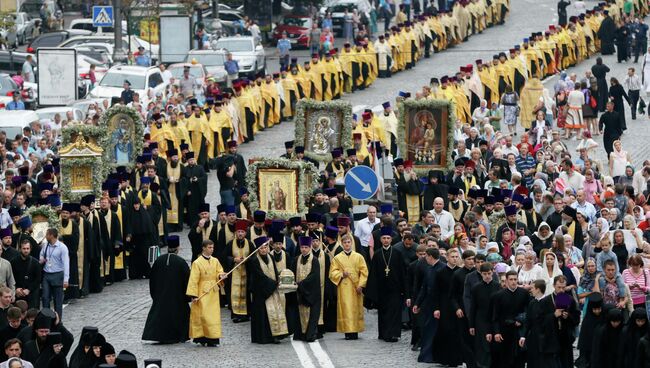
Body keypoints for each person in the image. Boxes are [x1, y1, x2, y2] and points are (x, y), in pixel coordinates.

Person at [142, 235, 190, 344]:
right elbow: (187, 281)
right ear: (178, 247)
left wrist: (155, 295)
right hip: (177, 298)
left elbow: (152, 280)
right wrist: (187, 296)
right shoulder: (181, 262)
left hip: (161, 297)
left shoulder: (158, 261)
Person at [366, 226, 405, 343]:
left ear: (391, 240)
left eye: (388, 238)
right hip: (382, 289)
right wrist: (372, 292)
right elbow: (373, 274)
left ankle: (393, 334)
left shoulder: (397, 253)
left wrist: (404, 289)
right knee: (383, 312)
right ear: (381, 240)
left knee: (394, 312)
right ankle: (383, 333)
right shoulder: (377, 254)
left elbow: (402, 272)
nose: (386, 240)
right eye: (384, 238)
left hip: (395, 289)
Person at [186, 239, 228, 347]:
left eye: (212, 247)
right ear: (204, 248)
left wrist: (221, 275)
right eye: (209, 247)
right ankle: (202, 336)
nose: (211, 250)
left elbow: (219, 271)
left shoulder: (215, 261)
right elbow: (193, 279)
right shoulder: (197, 262)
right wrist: (193, 295)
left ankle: (212, 338)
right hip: (202, 292)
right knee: (203, 315)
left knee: (212, 316)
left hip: (213, 292)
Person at [248, 237, 289, 344]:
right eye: (261, 248)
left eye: (265, 247)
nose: (263, 250)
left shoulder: (270, 256)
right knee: (263, 314)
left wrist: (277, 280)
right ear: (258, 249)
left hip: (271, 289)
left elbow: (275, 272)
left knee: (274, 313)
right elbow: (259, 276)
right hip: (260, 291)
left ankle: (275, 335)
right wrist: (273, 284)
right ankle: (263, 337)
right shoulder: (254, 260)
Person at [329, 234, 368, 340]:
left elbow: (364, 272)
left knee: (355, 308)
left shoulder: (358, 257)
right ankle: (347, 331)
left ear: (351, 243)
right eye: (345, 242)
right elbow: (332, 273)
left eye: (348, 242)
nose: (347, 244)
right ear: (342, 244)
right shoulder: (337, 258)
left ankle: (355, 331)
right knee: (346, 308)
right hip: (344, 287)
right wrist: (342, 275)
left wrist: (361, 285)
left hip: (356, 287)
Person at [468, 262, 500, 368]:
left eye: (489, 273)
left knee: (494, 345)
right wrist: (471, 325)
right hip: (480, 319)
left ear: (492, 273)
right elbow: (473, 307)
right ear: (481, 274)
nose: (487, 276)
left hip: (494, 318)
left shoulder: (497, 286)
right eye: (484, 273)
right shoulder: (476, 288)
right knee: (482, 345)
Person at [290, 237, 321, 342]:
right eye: (302, 247)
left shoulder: (315, 260)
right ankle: (300, 334)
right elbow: (292, 273)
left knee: (311, 315)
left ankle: (309, 334)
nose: (304, 249)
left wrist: (301, 284)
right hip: (299, 292)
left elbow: (314, 276)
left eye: (306, 247)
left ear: (310, 247)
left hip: (310, 293)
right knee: (298, 313)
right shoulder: (296, 259)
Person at [39, 229, 68, 319]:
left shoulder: (62, 247)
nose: (45, 237)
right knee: (45, 298)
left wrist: (66, 279)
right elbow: (41, 255)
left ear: (51, 235)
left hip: (58, 274)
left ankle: (58, 321)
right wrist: (42, 259)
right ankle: (45, 319)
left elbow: (66, 264)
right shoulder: (45, 245)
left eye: (47, 235)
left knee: (58, 300)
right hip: (47, 275)